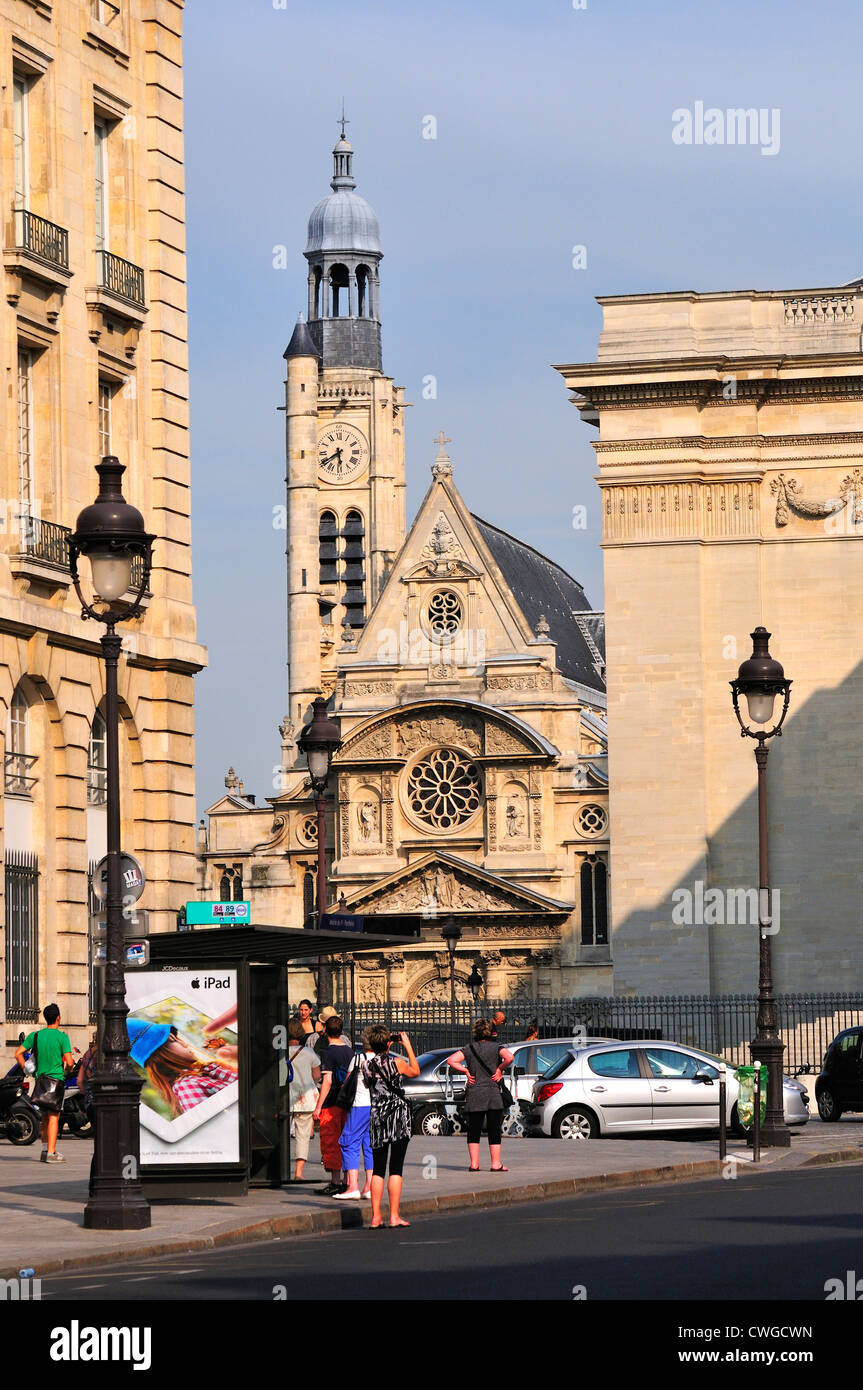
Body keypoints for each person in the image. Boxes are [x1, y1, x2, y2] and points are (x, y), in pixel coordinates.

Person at [363, 1025, 420, 1229]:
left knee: (378, 1169)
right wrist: (407, 1046)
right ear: (389, 1043)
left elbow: (368, 1085)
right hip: (398, 1116)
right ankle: (394, 1215)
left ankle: (376, 1216)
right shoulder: (397, 1062)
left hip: (377, 1117)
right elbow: (415, 1071)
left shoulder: (366, 1066)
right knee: (396, 1167)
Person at [127, 1019, 238, 1116]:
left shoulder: (203, 1071)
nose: (184, 1044)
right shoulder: (187, 1087)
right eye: (173, 1040)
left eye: (178, 1038)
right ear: (161, 1055)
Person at [447, 1019, 515, 1173]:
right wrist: (499, 1069)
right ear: (490, 1032)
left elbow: (451, 1060)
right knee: (493, 1129)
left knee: (474, 1129)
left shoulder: (469, 1048)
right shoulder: (497, 1047)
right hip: (493, 1092)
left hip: (474, 1092)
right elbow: (509, 1057)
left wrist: (465, 1071)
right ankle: (495, 1164)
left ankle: (474, 1164)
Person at [15, 1003, 75, 1163]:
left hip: (40, 1081)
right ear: (58, 1018)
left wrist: (28, 1070)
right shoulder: (62, 1037)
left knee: (44, 1117)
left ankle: (44, 1150)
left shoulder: (35, 1036)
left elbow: (18, 1053)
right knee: (54, 1116)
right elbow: (69, 1062)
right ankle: (52, 1153)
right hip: (56, 1081)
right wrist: (68, 1070)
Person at [312, 1015, 354, 1194]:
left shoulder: (328, 1052)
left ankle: (335, 1181)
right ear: (341, 1031)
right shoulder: (350, 1052)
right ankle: (348, 1180)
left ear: (325, 1032)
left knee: (331, 1141)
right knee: (346, 1141)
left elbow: (327, 1081)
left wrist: (318, 1106)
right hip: (348, 1103)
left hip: (332, 1103)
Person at [333, 1030, 376, 1200]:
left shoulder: (358, 1059)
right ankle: (369, 1186)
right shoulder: (383, 1060)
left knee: (349, 1142)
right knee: (369, 1146)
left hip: (359, 1105)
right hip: (376, 1107)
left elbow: (347, 1082)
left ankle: (352, 1186)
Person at [287, 1019, 320, 1180]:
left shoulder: (281, 1053)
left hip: (286, 1099)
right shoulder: (309, 1053)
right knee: (303, 1136)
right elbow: (317, 1076)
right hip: (305, 1099)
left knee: (281, 1134)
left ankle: (281, 1167)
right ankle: (299, 1172)